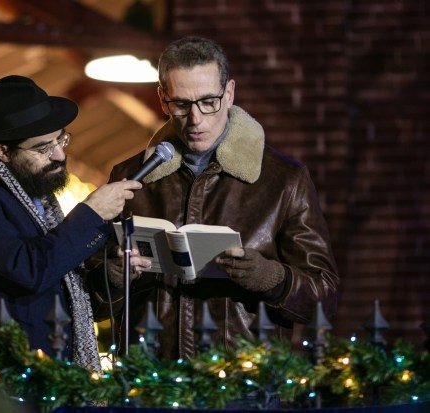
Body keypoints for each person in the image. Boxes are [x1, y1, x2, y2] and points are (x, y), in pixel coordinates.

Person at [99, 36, 339, 359]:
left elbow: (325, 294)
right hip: (150, 383)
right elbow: (85, 297)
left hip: (242, 384)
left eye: (208, 102)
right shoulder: (130, 179)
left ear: (229, 94)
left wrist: (274, 279)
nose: (196, 119)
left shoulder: (284, 181)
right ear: (162, 100)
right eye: (181, 105)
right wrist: (112, 277)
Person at [0, 75, 142, 372]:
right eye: (43, 148)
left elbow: (65, 299)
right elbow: (27, 270)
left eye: (61, 139)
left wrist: (112, 278)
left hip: (52, 381)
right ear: (3, 152)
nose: (60, 155)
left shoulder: (44, 202)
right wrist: (91, 213)